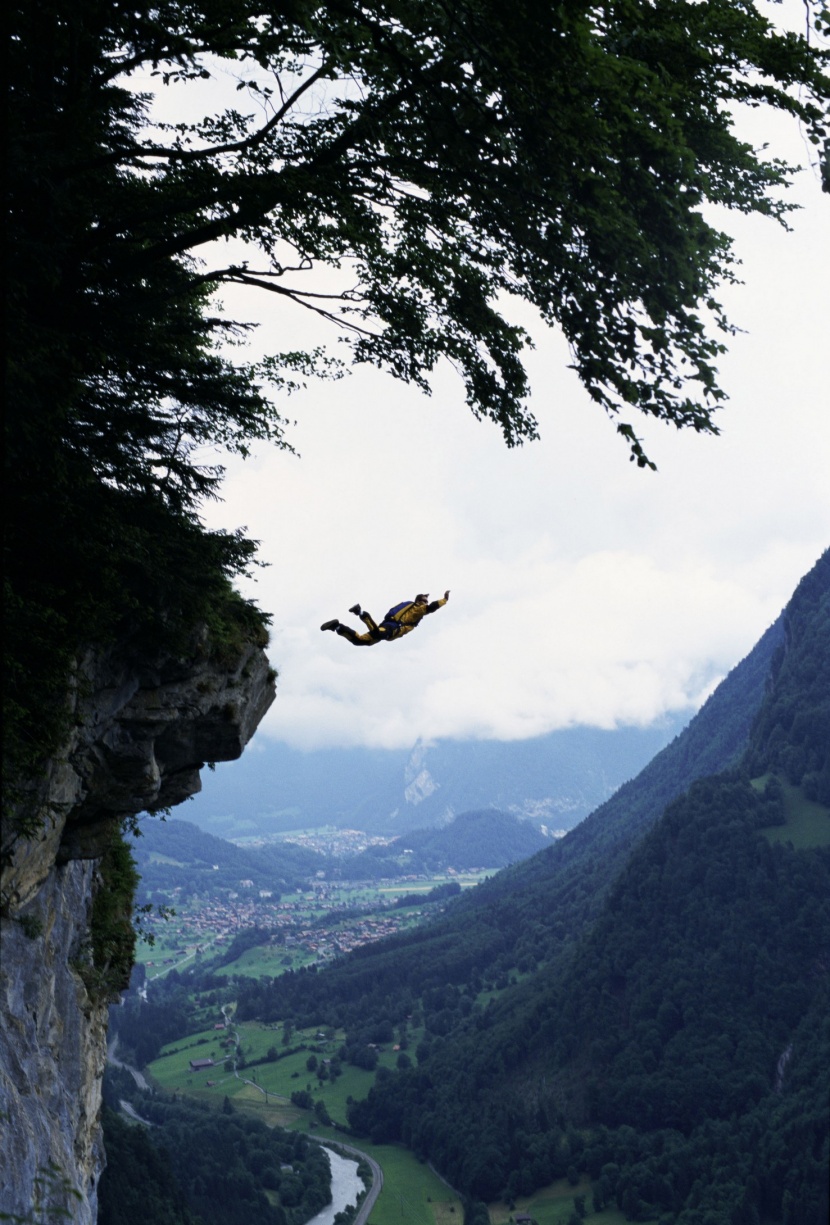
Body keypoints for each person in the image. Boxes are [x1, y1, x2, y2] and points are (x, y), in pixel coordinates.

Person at [321, 591, 450, 646]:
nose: (426, 603)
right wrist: (444, 600)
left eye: (426, 601)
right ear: (419, 600)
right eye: (424, 600)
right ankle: (360, 612)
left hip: (388, 627)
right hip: (393, 627)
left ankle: (337, 626)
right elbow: (432, 607)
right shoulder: (419, 608)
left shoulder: (410, 605)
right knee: (378, 633)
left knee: (360, 641)